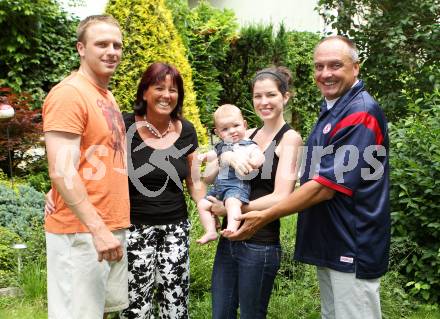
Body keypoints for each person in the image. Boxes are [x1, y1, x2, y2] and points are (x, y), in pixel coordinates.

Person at [226, 36, 390, 319]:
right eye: (319, 66)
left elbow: (324, 187)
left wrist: (265, 215)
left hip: (352, 242)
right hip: (330, 240)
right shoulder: (332, 110)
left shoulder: (361, 113)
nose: (325, 74)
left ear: (356, 68)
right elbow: (310, 176)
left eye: (335, 65)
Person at [42, 15, 130, 319]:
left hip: (109, 226)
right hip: (82, 233)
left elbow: (84, 159)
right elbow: (62, 170)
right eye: (101, 44)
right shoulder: (69, 93)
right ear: (81, 48)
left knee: (103, 313)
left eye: (117, 45)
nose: (112, 51)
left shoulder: (106, 96)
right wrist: (98, 229)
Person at [209, 67, 303, 318]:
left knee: (252, 315)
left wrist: (235, 211)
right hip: (229, 240)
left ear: (285, 97)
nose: (263, 102)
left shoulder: (290, 139)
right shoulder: (246, 134)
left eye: (270, 95)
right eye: (257, 96)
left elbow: (282, 196)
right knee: (221, 313)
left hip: (260, 244)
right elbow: (214, 168)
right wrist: (226, 156)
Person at [120, 62, 205, 319]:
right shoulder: (123, 125)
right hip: (133, 227)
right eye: (159, 88)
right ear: (144, 92)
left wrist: (206, 209)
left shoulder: (186, 130)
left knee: (175, 299)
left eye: (173, 89)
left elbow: (194, 181)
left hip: (175, 228)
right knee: (136, 303)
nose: (167, 95)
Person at [196, 104, 264, 244]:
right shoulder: (222, 146)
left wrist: (255, 161)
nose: (232, 131)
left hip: (237, 186)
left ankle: (232, 227)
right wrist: (203, 157)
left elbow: (259, 155)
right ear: (218, 133)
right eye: (225, 129)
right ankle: (210, 231)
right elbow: (212, 154)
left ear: (244, 125)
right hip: (218, 187)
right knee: (202, 204)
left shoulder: (249, 145)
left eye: (236, 125)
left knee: (233, 204)